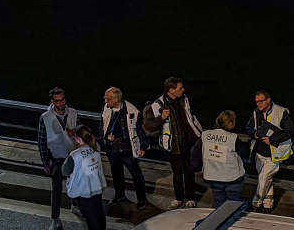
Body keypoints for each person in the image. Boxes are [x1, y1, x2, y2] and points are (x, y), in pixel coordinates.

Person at [144, 77, 203, 209]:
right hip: (173, 145)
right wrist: (161, 118)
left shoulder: (184, 99)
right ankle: (178, 198)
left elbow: (189, 117)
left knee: (189, 172)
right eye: (180, 88)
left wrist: (197, 134)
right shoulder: (157, 105)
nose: (183, 90)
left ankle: (190, 198)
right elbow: (148, 126)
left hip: (188, 142)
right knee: (177, 174)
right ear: (171, 90)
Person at [38, 87, 80, 230]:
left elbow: (82, 132)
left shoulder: (73, 113)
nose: (61, 103)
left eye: (62, 100)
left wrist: (74, 133)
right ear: (52, 101)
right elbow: (42, 141)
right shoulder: (45, 117)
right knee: (56, 190)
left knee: (75, 183)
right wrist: (45, 162)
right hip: (56, 158)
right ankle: (55, 220)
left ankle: (75, 205)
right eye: (57, 101)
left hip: (73, 156)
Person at [100, 87, 148, 210]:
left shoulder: (132, 111)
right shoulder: (107, 108)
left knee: (136, 173)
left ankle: (142, 198)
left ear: (116, 99)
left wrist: (142, 146)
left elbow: (140, 130)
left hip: (127, 148)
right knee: (116, 172)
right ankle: (119, 194)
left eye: (108, 99)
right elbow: (103, 123)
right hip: (112, 147)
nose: (106, 101)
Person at [246, 90, 293, 213]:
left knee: (264, 178)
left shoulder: (282, 112)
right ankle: (268, 205)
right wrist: (254, 134)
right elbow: (249, 127)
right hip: (259, 152)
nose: (258, 105)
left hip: (274, 153)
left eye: (261, 101)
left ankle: (256, 204)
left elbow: (288, 131)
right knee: (266, 179)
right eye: (256, 102)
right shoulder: (256, 113)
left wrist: (272, 139)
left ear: (268, 100)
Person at [62, 125, 110, 230]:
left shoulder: (75, 156)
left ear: (78, 139)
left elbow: (65, 171)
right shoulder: (96, 147)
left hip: (83, 192)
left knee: (91, 219)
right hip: (97, 188)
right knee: (99, 213)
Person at [198, 110, 250, 209]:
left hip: (213, 177)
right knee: (233, 205)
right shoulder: (233, 138)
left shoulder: (205, 134)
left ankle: (217, 221)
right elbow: (244, 153)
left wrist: (197, 168)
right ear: (231, 123)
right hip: (232, 178)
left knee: (218, 202)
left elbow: (196, 153)